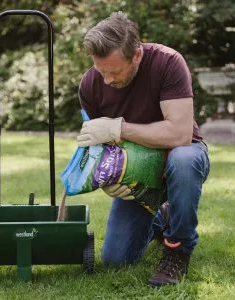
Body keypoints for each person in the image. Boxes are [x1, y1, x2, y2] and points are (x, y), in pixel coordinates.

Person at [76, 11, 210, 287]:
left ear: (136, 55)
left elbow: (180, 134)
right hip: (136, 173)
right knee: (116, 259)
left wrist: (119, 128)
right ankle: (163, 215)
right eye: (101, 71)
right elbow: (98, 151)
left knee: (183, 160)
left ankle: (177, 250)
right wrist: (108, 180)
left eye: (114, 71)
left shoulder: (168, 62)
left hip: (182, 158)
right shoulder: (91, 85)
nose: (108, 80)